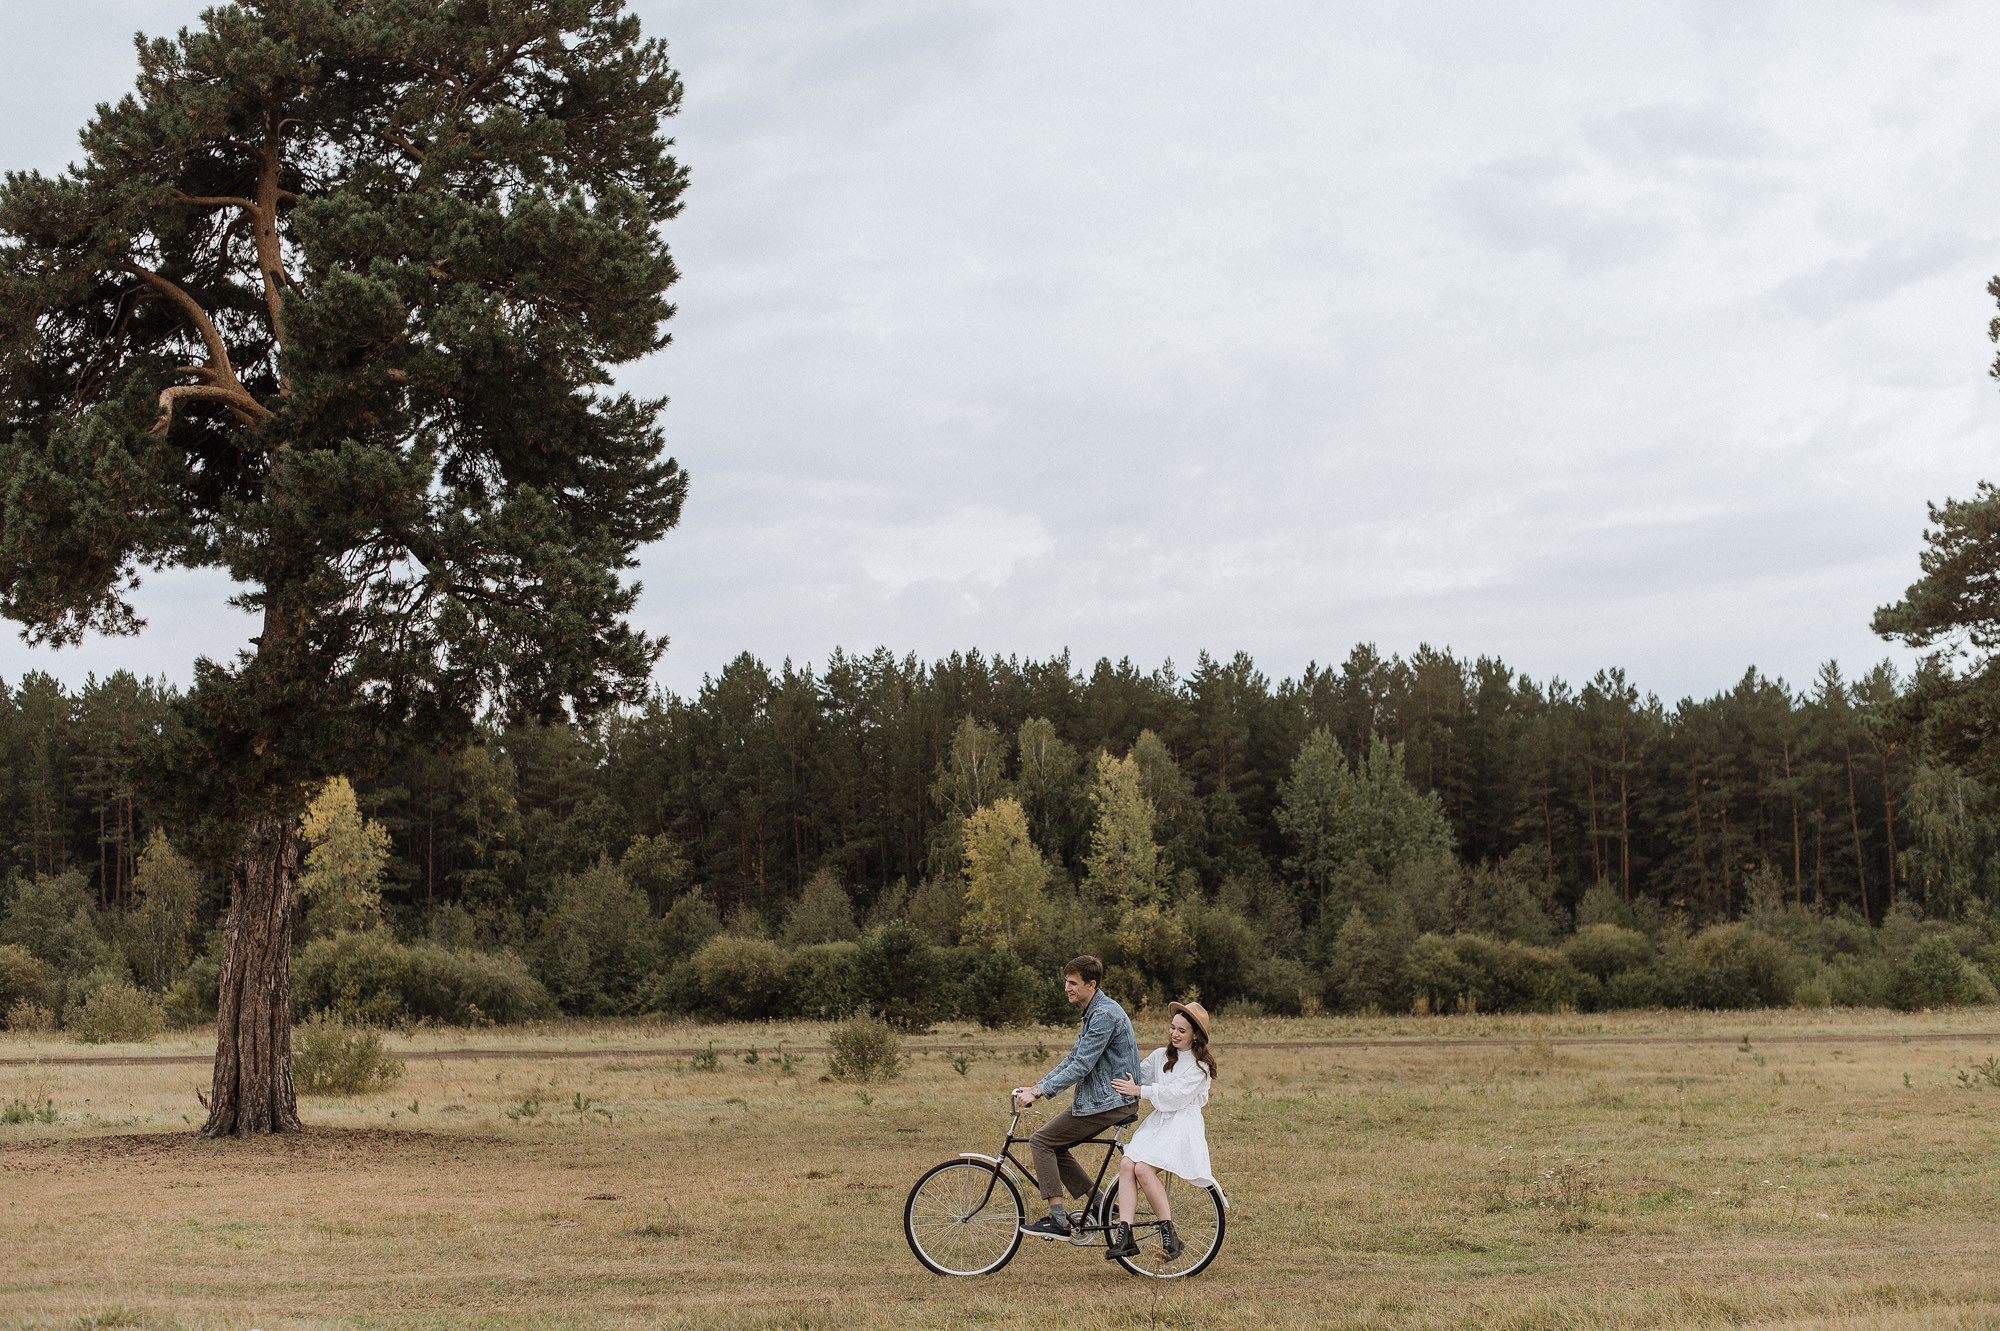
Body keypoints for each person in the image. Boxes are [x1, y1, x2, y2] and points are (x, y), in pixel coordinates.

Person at [1011, 955, 1140, 1238]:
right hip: (1106, 1099)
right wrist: (1037, 1086)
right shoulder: (1096, 1011)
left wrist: (1039, 1092)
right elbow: (1074, 1058)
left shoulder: (1104, 1015)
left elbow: (1082, 1065)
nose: (1067, 988)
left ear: (1090, 985)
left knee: (1041, 1141)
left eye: (1073, 983)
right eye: (1066, 982)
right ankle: (1102, 1204)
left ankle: (1058, 1220)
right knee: (1054, 1145)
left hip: (1112, 1102)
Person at [1104, 1000, 1216, 1261]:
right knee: (1126, 1165)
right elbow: (1138, 1076)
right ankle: (1125, 1233)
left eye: (1182, 1031)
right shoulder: (1160, 1056)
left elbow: (1175, 1097)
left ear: (1196, 1035)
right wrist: (1127, 1077)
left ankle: (1169, 1234)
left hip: (1181, 1124)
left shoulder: (1201, 1068)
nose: (1174, 1034)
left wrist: (1140, 1091)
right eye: (1172, 1028)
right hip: (1158, 1123)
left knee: (1142, 1168)